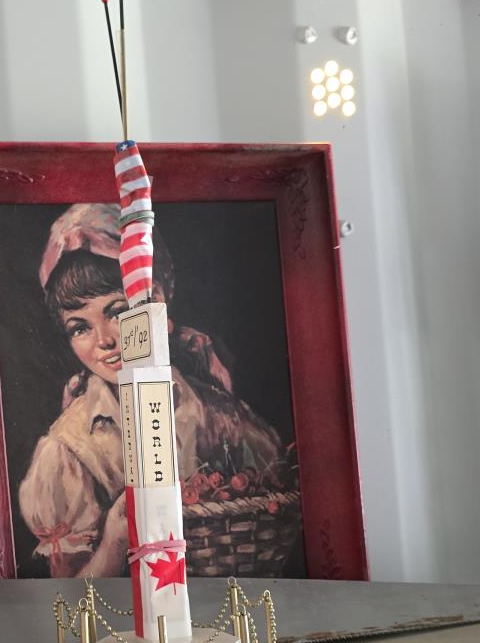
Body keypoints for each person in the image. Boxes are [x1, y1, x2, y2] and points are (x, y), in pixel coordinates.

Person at [18, 202, 285, 577]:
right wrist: (115, 541)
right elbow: (70, 595)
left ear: (156, 301)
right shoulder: (68, 448)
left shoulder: (220, 414)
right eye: (80, 328)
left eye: (116, 312)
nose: (104, 340)